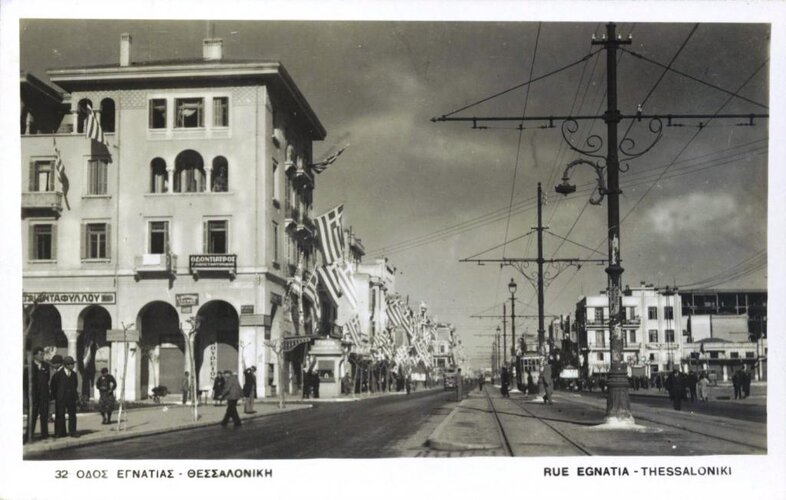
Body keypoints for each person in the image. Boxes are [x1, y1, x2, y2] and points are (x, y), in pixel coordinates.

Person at [50, 356, 79, 437]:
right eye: (71, 364)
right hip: (61, 398)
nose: (73, 366)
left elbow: (75, 385)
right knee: (60, 415)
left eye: (73, 364)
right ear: (66, 365)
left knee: (72, 415)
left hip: (71, 398)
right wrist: (57, 396)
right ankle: (60, 433)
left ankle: (73, 432)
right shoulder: (58, 375)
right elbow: (53, 386)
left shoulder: (74, 374)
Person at [25, 347, 51, 440]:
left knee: (44, 415)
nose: (42, 356)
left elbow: (47, 378)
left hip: (44, 395)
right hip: (33, 396)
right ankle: (29, 435)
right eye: (40, 354)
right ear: (35, 355)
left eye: (43, 354)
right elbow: (25, 382)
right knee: (32, 415)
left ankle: (45, 435)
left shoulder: (46, 365)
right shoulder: (29, 366)